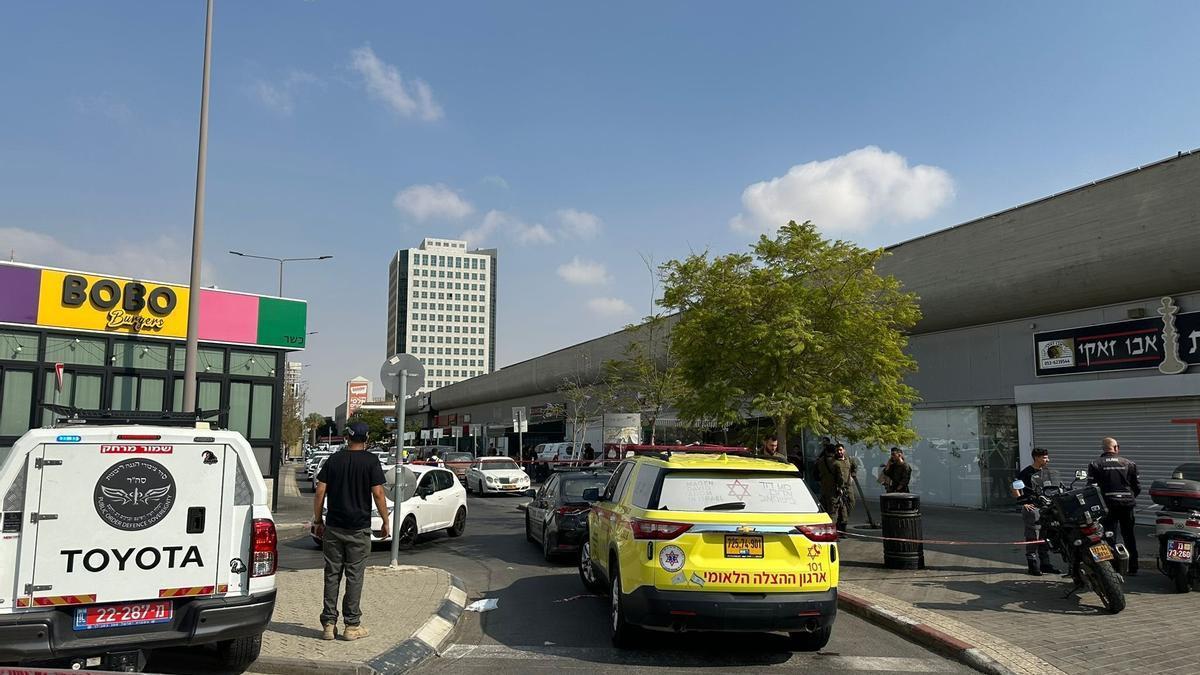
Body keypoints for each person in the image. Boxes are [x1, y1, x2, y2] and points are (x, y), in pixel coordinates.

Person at [313, 421, 389, 641]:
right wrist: (385, 521)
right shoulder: (371, 461)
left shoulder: (333, 460)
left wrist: (318, 520)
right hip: (359, 528)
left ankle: (328, 624)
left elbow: (320, 492)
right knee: (354, 577)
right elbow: (378, 494)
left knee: (332, 575)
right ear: (366, 439)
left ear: (347, 437)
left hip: (334, 527)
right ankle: (351, 626)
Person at [1088, 437, 1141, 575]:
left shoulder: (1095, 464)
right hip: (1126, 505)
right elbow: (1137, 487)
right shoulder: (1129, 463)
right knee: (1129, 535)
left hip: (1107, 506)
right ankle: (1133, 567)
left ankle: (1109, 568)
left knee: (1106, 536)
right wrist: (1128, 498)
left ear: (1103, 449)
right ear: (1116, 448)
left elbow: (1091, 488)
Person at [1012, 447, 1061, 576]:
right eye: (1044, 457)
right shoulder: (1026, 472)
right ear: (1037, 457)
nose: (1047, 460)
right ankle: (1032, 565)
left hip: (1047, 508)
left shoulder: (1047, 471)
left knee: (1046, 536)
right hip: (1033, 508)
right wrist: (1023, 503)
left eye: (1047, 457)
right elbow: (1014, 486)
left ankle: (1046, 564)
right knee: (1033, 536)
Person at [820, 444, 857, 534]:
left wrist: (852, 476)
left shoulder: (848, 459)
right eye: (837, 450)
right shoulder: (833, 461)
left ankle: (842, 524)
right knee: (837, 508)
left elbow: (854, 467)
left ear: (844, 450)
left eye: (841, 450)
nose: (839, 452)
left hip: (847, 487)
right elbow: (838, 476)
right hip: (837, 488)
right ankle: (840, 528)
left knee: (851, 503)